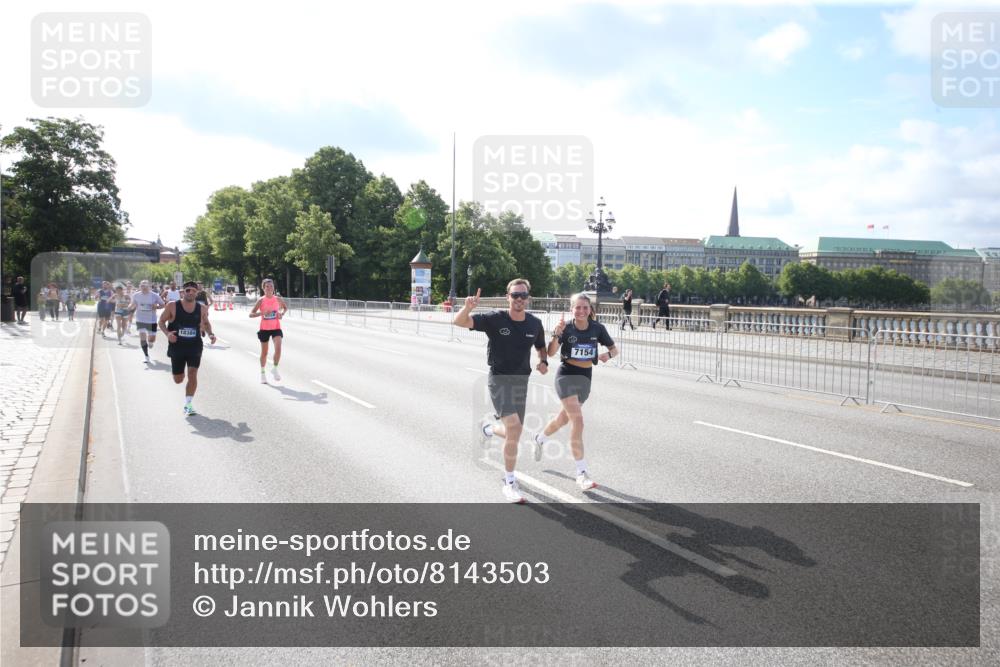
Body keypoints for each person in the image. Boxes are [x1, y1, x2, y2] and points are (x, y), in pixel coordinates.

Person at [453, 279, 548, 504]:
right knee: (514, 428)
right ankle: (509, 482)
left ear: (528, 297)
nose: (519, 299)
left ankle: (488, 428)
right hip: (499, 380)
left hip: (521, 381)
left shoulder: (534, 323)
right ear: (508, 297)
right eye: (515, 295)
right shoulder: (495, 319)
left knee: (513, 432)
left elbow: (541, 345)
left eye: (523, 295)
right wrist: (468, 307)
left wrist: (543, 361)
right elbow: (458, 322)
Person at [532, 294, 617, 491]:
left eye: (585, 307)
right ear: (572, 310)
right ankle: (581, 472)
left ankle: (539, 438)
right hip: (567, 375)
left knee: (563, 419)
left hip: (585, 378)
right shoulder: (566, 328)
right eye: (577, 308)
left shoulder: (598, 328)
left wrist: (607, 355)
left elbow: (614, 349)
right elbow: (551, 353)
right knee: (578, 421)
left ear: (590, 309)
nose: (581, 311)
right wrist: (556, 333)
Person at [159, 281, 216, 416]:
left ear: (197, 293)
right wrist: (167, 334)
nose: (190, 293)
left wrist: (211, 334)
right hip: (177, 345)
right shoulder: (172, 306)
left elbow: (206, 323)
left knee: (192, 374)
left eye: (193, 291)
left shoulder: (201, 308)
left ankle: (188, 404)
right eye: (188, 290)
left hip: (194, 345)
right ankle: (179, 374)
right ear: (183, 292)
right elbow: (161, 321)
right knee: (178, 379)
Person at [249, 278, 287, 383]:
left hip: (276, 328)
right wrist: (262, 313)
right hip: (264, 329)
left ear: (274, 288)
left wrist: (281, 314)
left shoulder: (278, 299)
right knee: (264, 353)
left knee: (278, 349)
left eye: (271, 286)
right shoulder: (261, 300)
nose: (269, 288)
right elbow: (251, 314)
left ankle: (274, 368)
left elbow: (285, 308)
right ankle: (262, 373)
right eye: (267, 286)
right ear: (263, 288)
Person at [130, 280, 164, 364]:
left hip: (151, 320)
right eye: (142, 286)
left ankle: (150, 342)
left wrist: (156, 306)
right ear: (139, 287)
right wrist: (128, 307)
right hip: (140, 319)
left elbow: (163, 304)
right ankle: (146, 356)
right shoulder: (136, 295)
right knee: (142, 337)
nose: (144, 287)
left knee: (152, 339)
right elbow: (132, 304)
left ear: (149, 286)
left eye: (145, 286)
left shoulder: (154, 295)